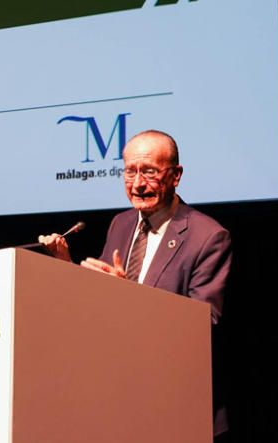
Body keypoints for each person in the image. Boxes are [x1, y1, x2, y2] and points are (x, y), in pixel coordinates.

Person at [38, 129, 232, 436]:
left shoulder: (208, 237)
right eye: (130, 172)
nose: (138, 184)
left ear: (176, 175)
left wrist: (128, 298)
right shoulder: (122, 223)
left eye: (150, 172)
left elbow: (202, 326)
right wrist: (66, 267)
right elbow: (102, 304)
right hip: (120, 397)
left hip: (177, 407)